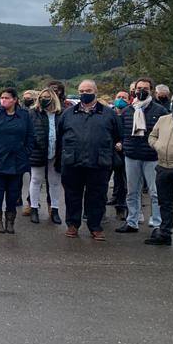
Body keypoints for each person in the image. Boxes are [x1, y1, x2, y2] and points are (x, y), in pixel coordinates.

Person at [58, 80, 122, 241]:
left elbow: (118, 136)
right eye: (81, 91)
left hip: (99, 162)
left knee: (97, 196)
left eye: (87, 90)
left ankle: (95, 226)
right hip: (72, 162)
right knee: (72, 195)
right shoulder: (68, 113)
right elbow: (60, 137)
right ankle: (72, 225)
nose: (84, 94)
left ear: (95, 91)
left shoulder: (109, 114)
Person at [116, 78, 167, 235]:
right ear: (134, 90)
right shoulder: (127, 111)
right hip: (131, 156)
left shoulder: (160, 111)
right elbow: (121, 132)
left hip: (152, 157)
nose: (141, 91)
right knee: (132, 191)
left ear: (151, 90)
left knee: (155, 192)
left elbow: (164, 134)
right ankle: (132, 221)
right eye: (139, 88)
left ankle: (158, 223)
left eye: (145, 88)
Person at [0, 88, 34, 233]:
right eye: (2, 97)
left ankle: (10, 220)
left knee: (13, 193)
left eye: (6, 98)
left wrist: (26, 152)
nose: (3, 100)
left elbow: (30, 136)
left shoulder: (24, 115)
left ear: (15, 100)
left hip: (17, 160)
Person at [28, 88, 63, 225]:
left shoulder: (61, 114)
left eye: (47, 97)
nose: (44, 99)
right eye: (42, 97)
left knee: (55, 182)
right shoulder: (33, 113)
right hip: (38, 151)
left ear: (53, 98)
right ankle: (34, 208)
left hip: (56, 152)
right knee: (36, 180)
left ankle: (54, 209)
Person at [147, 109, 173, 247]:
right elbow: (152, 136)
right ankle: (165, 234)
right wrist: (157, 145)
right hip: (163, 167)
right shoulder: (164, 119)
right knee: (164, 203)